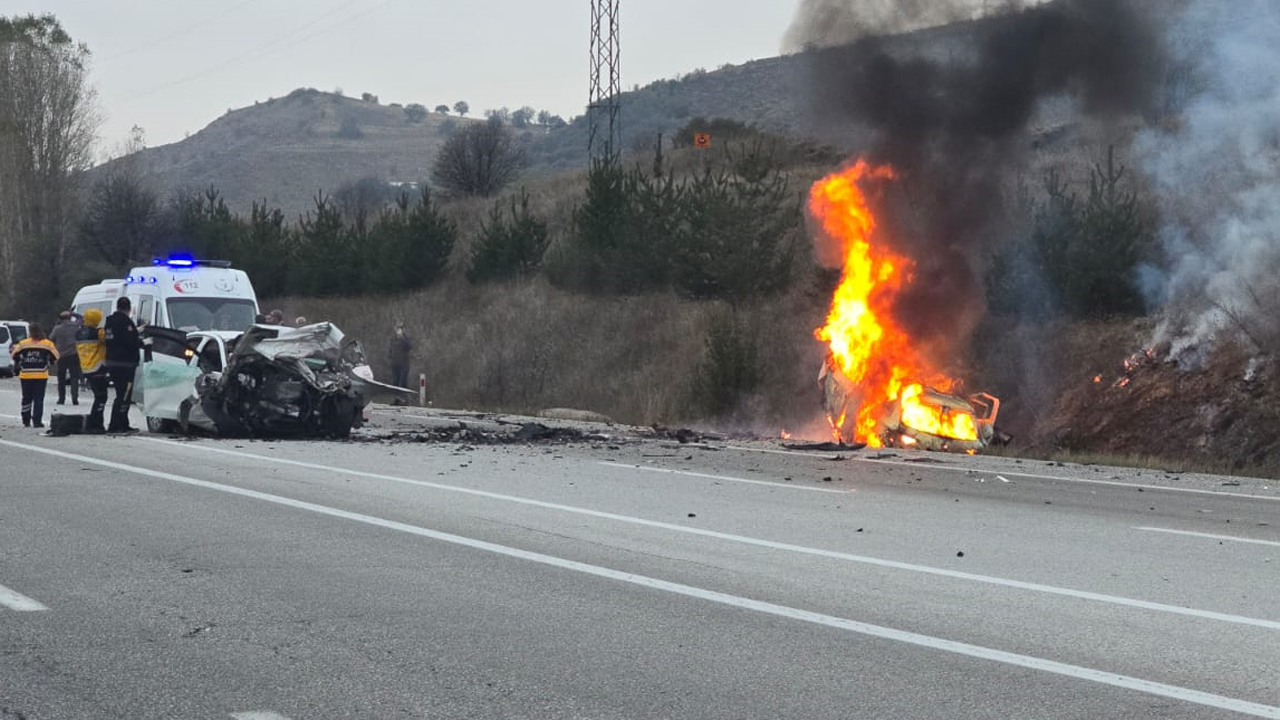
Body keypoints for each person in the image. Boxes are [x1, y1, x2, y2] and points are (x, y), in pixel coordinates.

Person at [103, 296, 144, 433]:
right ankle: (117, 425)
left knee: (122, 394)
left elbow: (117, 339)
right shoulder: (125, 322)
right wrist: (142, 342)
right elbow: (128, 342)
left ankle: (122, 423)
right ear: (129, 308)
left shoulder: (110, 321)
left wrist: (136, 331)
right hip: (124, 364)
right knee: (124, 395)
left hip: (112, 362)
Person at [9, 323, 59, 428]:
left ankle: (26, 420)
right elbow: (56, 356)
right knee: (38, 399)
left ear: (30, 332)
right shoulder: (47, 344)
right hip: (41, 375)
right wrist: (49, 362)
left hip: (26, 374)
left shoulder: (23, 343)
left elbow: (14, 354)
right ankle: (37, 421)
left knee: (26, 398)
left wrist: (21, 361)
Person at [76, 308, 110, 434]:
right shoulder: (98, 333)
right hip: (98, 367)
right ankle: (95, 424)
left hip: (86, 368)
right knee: (101, 397)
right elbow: (108, 340)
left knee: (98, 396)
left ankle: (95, 423)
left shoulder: (79, 333)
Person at [49, 310, 81, 405]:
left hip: (61, 355)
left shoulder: (57, 328)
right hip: (74, 354)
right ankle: (74, 398)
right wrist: (74, 313)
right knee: (74, 377)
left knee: (61, 378)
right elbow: (82, 319)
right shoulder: (76, 326)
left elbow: (51, 338)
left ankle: (61, 398)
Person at [387, 322, 412, 389]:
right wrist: (390, 358)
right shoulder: (392, 338)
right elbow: (390, 350)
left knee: (403, 383)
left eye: (400, 328)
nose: (398, 330)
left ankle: (404, 399)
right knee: (395, 383)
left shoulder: (406, 338)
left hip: (404, 364)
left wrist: (402, 338)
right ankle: (396, 399)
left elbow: (409, 347)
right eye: (397, 328)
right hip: (394, 364)